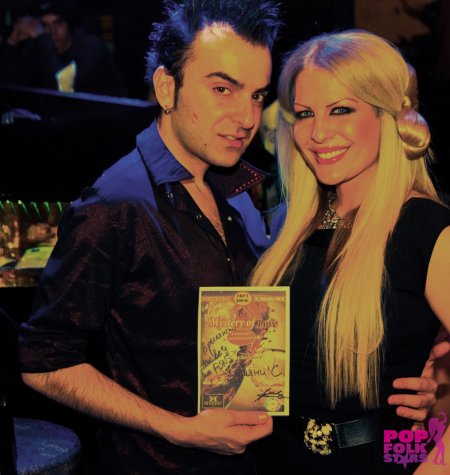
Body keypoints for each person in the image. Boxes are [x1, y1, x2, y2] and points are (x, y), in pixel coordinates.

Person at [17, 3, 445, 473]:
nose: (246, 117)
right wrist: (178, 428)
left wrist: (430, 389)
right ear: (167, 88)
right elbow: (42, 360)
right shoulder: (116, 205)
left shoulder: (243, 195)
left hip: (293, 460)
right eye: (223, 88)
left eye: (257, 95)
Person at [250, 29, 450, 474]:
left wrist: (434, 467)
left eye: (341, 109)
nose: (318, 133)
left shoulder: (426, 229)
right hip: (276, 458)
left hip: (383, 458)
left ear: (388, 115)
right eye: (305, 114)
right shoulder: (288, 225)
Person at [0, 0, 126, 96]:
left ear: (69, 25)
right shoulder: (40, 47)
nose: (52, 32)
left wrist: (42, 38)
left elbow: (63, 87)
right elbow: (8, 82)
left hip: (107, 118)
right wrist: (12, 42)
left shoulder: (90, 47)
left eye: (58, 23)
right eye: (45, 25)